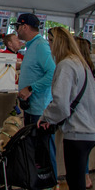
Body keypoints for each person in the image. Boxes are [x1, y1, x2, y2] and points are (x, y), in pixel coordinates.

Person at [38, 27, 95, 190]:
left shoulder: (66, 65)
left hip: (79, 131)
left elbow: (61, 104)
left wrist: (46, 117)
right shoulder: (79, 62)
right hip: (87, 130)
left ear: (56, 42)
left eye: (49, 42)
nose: (49, 47)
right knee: (76, 183)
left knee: (77, 186)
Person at [15, 13, 57, 177]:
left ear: (24, 27)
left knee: (44, 151)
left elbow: (52, 73)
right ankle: (38, 184)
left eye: (17, 27)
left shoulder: (40, 46)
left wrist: (31, 88)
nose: (16, 30)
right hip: (32, 107)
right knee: (35, 151)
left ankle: (50, 185)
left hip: (40, 109)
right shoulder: (32, 46)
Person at [74, 35, 95, 189]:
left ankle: (84, 176)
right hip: (88, 118)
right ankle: (85, 175)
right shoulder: (88, 67)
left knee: (80, 150)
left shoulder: (78, 67)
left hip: (80, 116)